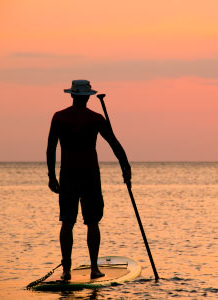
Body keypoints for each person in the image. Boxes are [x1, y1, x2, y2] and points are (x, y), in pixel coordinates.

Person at [46, 79, 131, 280]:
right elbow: (114, 143)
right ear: (87, 97)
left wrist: (51, 175)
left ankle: (66, 270)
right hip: (90, 174)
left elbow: (51, 149)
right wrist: (126, 167)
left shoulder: (59, 117)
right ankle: (94, 268)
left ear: (73, 95)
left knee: (67, 221)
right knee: (92, 222)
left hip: (67, 174)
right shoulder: (95, 118)